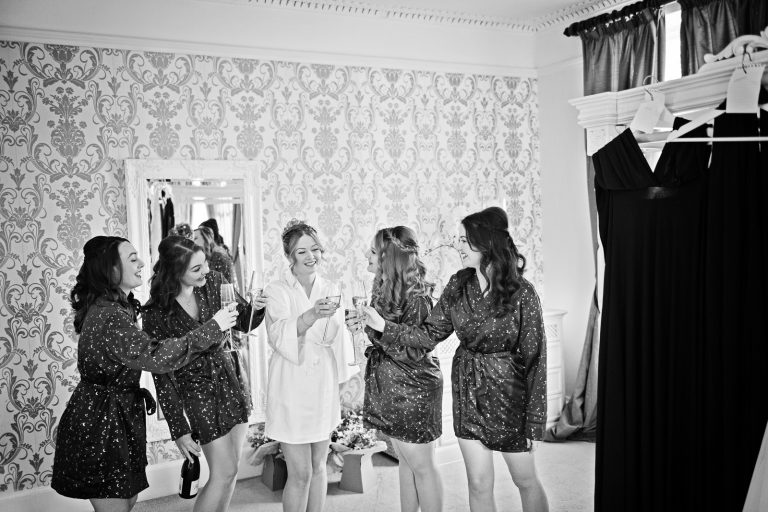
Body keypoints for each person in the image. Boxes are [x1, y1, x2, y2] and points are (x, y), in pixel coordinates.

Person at [362, 207, 550, 512]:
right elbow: (426, 336)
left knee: (525, 480)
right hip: (468, 395)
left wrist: (535, 420)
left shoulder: (523, 293)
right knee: (478, 483)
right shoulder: (458, 285)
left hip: (510, 398)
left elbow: (536, 359)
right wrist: (383, 326)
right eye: (459, 239)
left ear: (487, 241)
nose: (458, 245)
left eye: (465, 240)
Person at [51, 236, 238, 512]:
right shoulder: (110, 316)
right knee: (116, 506)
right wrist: (214, 326)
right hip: (102, 422)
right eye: (132, 258)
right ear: (110, 269)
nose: (142, 263)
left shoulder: (117, 307)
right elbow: (157, 357)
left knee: (126, 501)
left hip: (118, 415)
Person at [141, 236, 266, 512]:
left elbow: (243, 322)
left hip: (230, 378)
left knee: (231, 471)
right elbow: (161, 375)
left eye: (204, 264)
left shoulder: (216, 282)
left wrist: (257, 308)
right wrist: (179, 428)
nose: (206, 271)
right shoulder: (155, 312)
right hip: (196, 389)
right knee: (222, 472)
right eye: (196, 269)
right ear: (175, 272)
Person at [264, 219, 358, 512]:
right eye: (301, 251)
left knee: (319, 466)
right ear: (289, 256)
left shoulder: (330, 287)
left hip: (321, 384)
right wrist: (311, 315)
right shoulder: (276, 290)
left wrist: (347, 324)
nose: (310, 257)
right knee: (300, 472)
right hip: (290, 384)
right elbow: (278, 336)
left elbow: (334, 336)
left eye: (315, 249)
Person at [348, 226, 444, 512]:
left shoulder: (418, 298)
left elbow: (416, 349)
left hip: (414, 389)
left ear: (389, 259)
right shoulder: (384, 290)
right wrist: (366, 327)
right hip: (391, 388)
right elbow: (386, 338)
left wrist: (380, 327)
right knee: (405, 462)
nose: (367, 254)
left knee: (422, 467)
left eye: (374, 251)